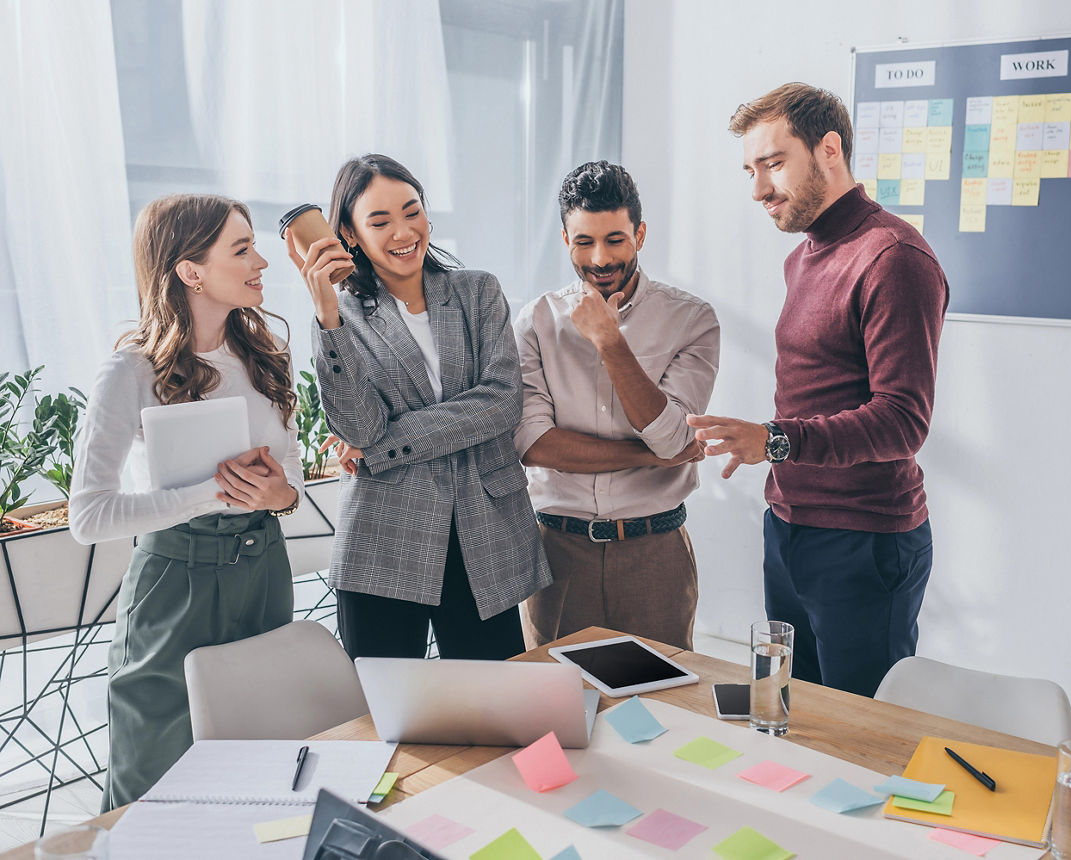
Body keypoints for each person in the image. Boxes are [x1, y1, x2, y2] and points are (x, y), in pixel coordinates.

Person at [688, 83, 949, 697]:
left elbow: (903, 420)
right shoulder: (805, 255)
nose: (758, 190)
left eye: (774, 165)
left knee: (860, 738)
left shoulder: (893, 258)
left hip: (864, 540)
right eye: (750, 171)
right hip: (788, 524)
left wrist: (774, 442)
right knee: (787, 713)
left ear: (829, 149)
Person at [70, 195, 304, 809]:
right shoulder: (129, 370)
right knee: (154, 779)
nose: (262, 262)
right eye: (242, 249)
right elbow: (89, 515)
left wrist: (280, 495)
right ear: (190, 270)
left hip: (264, 570)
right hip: (174, 583)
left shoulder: (266, 361)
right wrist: (211, 494)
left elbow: (293, 480)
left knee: (267, 770)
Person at [288, 153, 550, 661]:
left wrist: (383, 447)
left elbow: (500, 403)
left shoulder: (477, 291)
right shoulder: (340, 318)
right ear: (348, 233)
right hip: (383, 537)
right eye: (379, 221)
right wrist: (326, 315)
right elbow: (358, 425)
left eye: (412, 212)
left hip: (483, 531)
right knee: (391, 718)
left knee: (494, 709)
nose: (403, 231)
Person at [514, 161, 719, 649]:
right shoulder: (536, 321)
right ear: (566, 239)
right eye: (584, 242)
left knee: (665, 713)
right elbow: (535, 443)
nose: (600, 258)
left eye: (615, 239)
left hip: (655, 555)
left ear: (640, 234)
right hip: (557, 555)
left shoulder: (692, 320)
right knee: (556, 714)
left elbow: (673, 436)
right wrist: (648, 456)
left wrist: (610, 342)